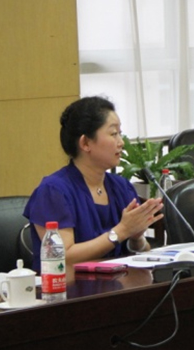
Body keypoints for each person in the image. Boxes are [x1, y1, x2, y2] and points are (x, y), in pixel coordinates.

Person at [23, 97, 164, 271]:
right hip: (67, 286)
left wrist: (136, 238)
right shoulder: (53, 191)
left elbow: (139, 253)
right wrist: (120, 231)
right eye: (113, 134)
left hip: (120, 283)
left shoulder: (121, 187)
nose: (121, 142)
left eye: (120, 133)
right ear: (86, 143)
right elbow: (63, 258)